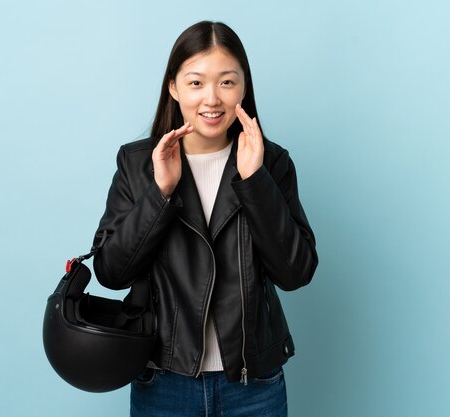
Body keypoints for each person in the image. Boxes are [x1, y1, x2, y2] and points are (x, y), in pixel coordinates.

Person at [93, 20, 318, 417]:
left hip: (253, 385)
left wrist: (255, 181)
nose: (212, 99)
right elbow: (111, 271)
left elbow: (296, 273)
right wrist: (159, 193)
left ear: (244, 88)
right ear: (174, 87)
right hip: (163, 380)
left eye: (227, 82)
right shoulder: (137, 163)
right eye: (196, 83)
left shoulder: (273, 163)